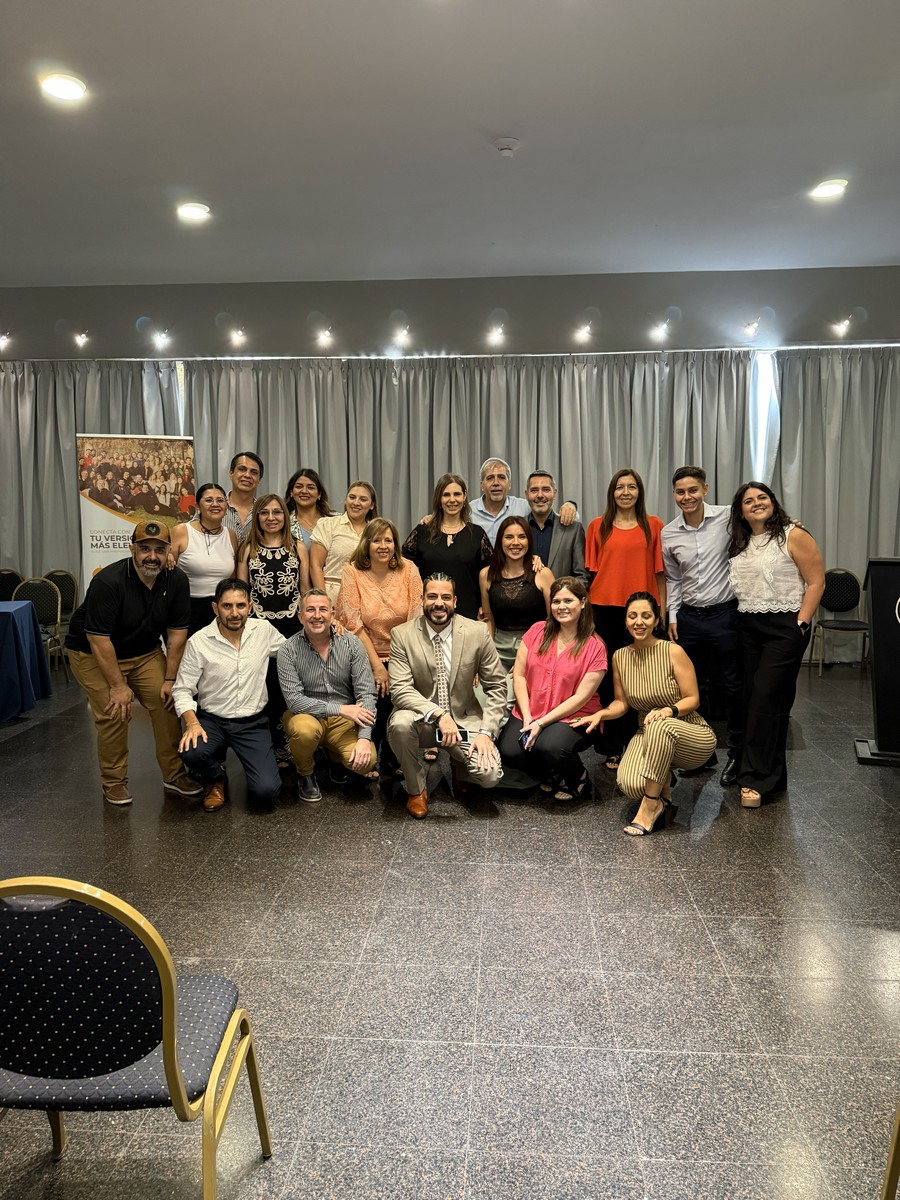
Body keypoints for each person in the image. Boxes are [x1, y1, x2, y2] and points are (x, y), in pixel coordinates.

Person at [64, 520, 203, 806]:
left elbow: (177, 634)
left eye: (159, 550)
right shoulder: (108, 582)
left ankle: (174, 774)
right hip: (92, 653)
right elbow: (98, 640)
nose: (152, 556)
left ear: (169, 552)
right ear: (132, 550)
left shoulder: (176, 580)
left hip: (144, 653)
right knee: (116, 710)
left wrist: (170, 680)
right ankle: (114, 782)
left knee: (167, 702)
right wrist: (118, 686)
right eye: (145, 549)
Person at [573, 592, 716, 836]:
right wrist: (601, 714)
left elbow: (693, 699)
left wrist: (668, 710)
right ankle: (662, 785)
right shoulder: (620, 656)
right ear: (626, 621)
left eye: (646, 616)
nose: (639, 622)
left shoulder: (672, 651)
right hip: (647, 731)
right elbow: (621, 703)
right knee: (630, 784)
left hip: (688, 731)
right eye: (633, 616)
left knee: (660, 725)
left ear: (656, 620)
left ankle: (650, 806)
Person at [727, 482, 825, 807]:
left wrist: (802, 622)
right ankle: (773, 776)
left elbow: (816, 581)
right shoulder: (739, 542)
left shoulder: (794, 535)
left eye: (762, 497)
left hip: (786, 626)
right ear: (740, 511)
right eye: (748, 501)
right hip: (749, 626)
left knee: (765, 698)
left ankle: (754, 778)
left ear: (773, 502)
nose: (756, 503)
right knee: (760, 700)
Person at [387, 573, 507, 819]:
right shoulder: (402, 635)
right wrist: (440, 715)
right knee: (399, 724)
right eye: (432, 596)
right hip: (421, 720)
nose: (438, 603)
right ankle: (416, 788)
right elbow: (400, 689)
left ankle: (459, 763)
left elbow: (497, 686)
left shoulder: (477, 632)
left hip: (463, 720)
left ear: (455, 601)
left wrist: (486, 733)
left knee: (490, 775)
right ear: (422, 600)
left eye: (445, 597)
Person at [172, 578, 284, 812]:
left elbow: (293, 651)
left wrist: (327, 629)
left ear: (250, 607)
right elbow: (182, 689)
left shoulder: (263, 631)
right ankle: (215, 777)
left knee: (267, 790)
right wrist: (192, 723)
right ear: (215, 608)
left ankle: (253, 770)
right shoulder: (199, 642)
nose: (234, 613)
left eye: (240, 605)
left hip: (252, 724)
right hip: (213, 721)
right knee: (191, 752)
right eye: (227, 606)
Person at [662, 466, 742, 786]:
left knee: (733, 686)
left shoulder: (727, 517)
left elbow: (763, 521)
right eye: (681, 492)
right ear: (674, 494)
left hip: (725, 615)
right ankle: (702, 753)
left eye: (693, 490)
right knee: (693, 688)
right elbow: (673, 579)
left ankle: (737, 753)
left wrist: (793, 526)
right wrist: (672, 617)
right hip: (689, 619)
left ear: (705, 489)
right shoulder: (668, 533)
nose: (687, 497)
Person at [585, 468, 666, 770]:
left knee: (639, 680)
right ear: (612, 492)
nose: (626, 493)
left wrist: (661, 611)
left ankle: (637, 742)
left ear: (639, 492)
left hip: (641, 612)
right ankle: (610, 747)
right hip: (604, 609)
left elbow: (660, 574)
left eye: (632, 487)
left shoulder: (653, 525)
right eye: (620, 487)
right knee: (609, 679)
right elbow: (591, 574)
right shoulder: (598, 526)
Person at [498, 577, 606, 801]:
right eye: (556, 601)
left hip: (573, 715)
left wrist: (541, 723)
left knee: (549, 747)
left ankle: (578, 778)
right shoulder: (536, 631)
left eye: (568, 600)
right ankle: (550, 773)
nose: (561, 607)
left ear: (582, 602)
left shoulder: (595, 646)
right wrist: (527, 716)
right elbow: (519, 675)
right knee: (509, 751)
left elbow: (581, 697)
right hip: (532, 709)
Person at [335, 519, 423, 779]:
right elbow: (353, 624)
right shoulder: (352, 572)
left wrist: (398, 664)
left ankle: (393, 759)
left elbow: (416, 617)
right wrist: (377, 666)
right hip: (364, 653)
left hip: (403, 652)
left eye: (388, 540)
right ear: (366, 544)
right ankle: (367, 757)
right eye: (376, 540)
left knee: (398, 699)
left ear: (396, 544)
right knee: (375, 697)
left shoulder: (409, 570)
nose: (383, 546)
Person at [277, 589, 378, 802]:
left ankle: (334, 755)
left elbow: (367, 694)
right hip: (306, 716)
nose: (317, 615)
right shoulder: (288, 650)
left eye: (323, 609)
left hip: (343, 723)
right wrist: (340, 709)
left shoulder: (352, 644)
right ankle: (306, 773)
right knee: (304, 732)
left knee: (366, 761)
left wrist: (364, 738)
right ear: (300, 616)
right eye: (310, 610)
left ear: (332, 614)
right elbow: (294, 701)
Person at [236, 493, 310, 771]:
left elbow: (304, 588)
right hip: (259, 627)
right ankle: (268, 745)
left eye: (277, 512)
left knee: (290, 685)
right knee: (264, 686)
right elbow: (241, 592)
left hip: (292, 626)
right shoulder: (247, 548)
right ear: (257, 518)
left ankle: (293, 743)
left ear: (285, 517)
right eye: (264, 513)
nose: (271, 518)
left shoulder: (298, 547)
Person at [402, 474, 492, 621]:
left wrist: (485, 606)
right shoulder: (422, 532)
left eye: (457, 494)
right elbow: (403, 569)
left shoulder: (477, 534)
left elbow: (489, 575)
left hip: (469, 616)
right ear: (439, 498)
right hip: (430, 615)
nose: (452, 500)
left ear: (464, 497)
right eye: (446, 495)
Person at [479, 515, 554, 687]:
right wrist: (486, 653)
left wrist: (533, 652)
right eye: (509, 537)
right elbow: (488, 619)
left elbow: (553, 620)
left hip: (534, 647)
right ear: (500, 541)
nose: (515, 543)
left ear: (529, 541)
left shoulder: (543, 574)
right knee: (484, 694)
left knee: (516, 694)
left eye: (521, 537)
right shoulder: (486, 575)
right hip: (497, 648)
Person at [168, 483, 239, 635]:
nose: (215, 504)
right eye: (208, 500)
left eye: (220, 500)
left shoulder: (231, 535)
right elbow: (166, 570)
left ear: (226, 506)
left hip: (222, 610)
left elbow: (233, 577)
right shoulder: (181, 531)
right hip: (187, 608)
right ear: (197, 506)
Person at [470, 457, 578, 545]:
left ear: (509, 484)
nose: (496, 483)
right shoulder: (469, 511)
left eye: (502, 477)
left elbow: (559, 517)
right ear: (482, 486)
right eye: (490, 478)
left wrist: (570, 505)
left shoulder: (525, 506)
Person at [309, 481, 378, 605]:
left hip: (367, 597)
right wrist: (323, 601)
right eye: (352, 497)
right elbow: (315, 566)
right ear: (346, 500)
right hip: (332, 596)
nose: (356, 503)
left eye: (363, 499)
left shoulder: (377, 532)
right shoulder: (328, 525)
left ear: (372, 505)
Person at [525, 469, 587, 582]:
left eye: (546, 490)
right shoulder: (516, 528)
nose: (540, 495)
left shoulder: (574, 530)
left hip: (561, 593)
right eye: (534, 490)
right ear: (526, 494)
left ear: (554, 493)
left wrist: (563, 592)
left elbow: (582, 577)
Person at [285, 467, 334, 552]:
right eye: (299, 487)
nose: (304, 491)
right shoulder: (283, 523)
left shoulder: (335, 520)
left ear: (319, 494)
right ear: (291, 492)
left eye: (310, 488)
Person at [223, 451, 264, 544]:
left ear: (259, 480)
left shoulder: (264, 512)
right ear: (231, 473)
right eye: (242, 469)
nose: (247, 475)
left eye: (254, 472)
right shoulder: (213, 508)